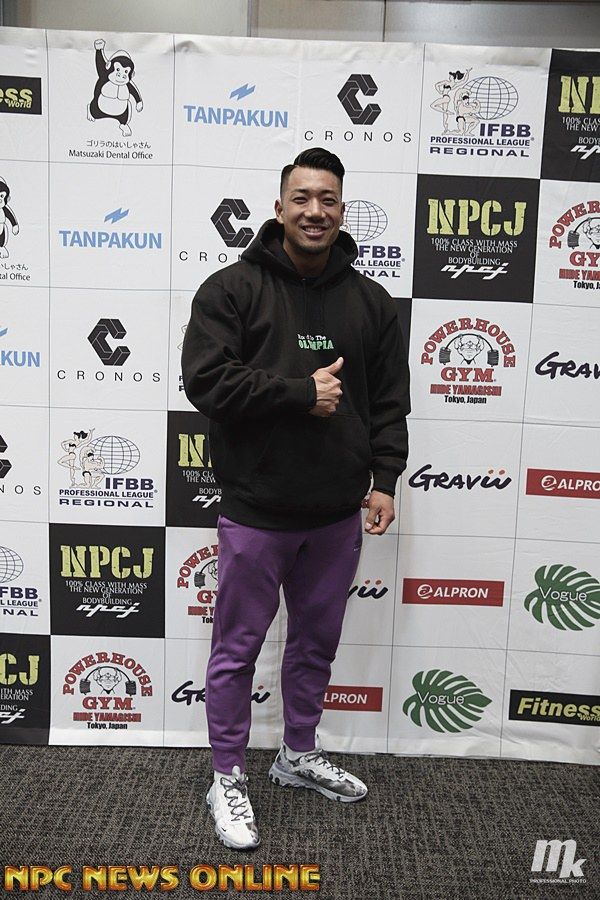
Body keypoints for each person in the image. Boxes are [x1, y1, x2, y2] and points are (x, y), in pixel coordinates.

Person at [182, 147, 410, 851]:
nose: (316, 211)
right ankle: (227, 774)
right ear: (279, 207)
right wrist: (298, 392)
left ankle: (297, 754)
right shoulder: (231, 289)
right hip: (257, 510)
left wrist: (384, 478)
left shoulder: (371, 302)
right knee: (237, 650)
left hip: (337, 514)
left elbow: (388, 401)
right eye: (302, 198)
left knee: (316, 644)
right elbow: (206, 382)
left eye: (328, 200)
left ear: (342, 210)